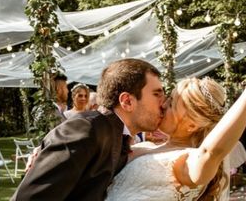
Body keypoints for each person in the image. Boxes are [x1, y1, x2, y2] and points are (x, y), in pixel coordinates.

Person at [105, 32, 246, 200]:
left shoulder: (188, 161)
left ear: (192, 125)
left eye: (171, 104)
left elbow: (212, 152)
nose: (163, 104)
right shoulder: (143, 146)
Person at [10, 58, 166, 200]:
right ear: (127, 101)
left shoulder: (118, 135)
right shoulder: (85, 129)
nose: (163, 103)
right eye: (156, 94)